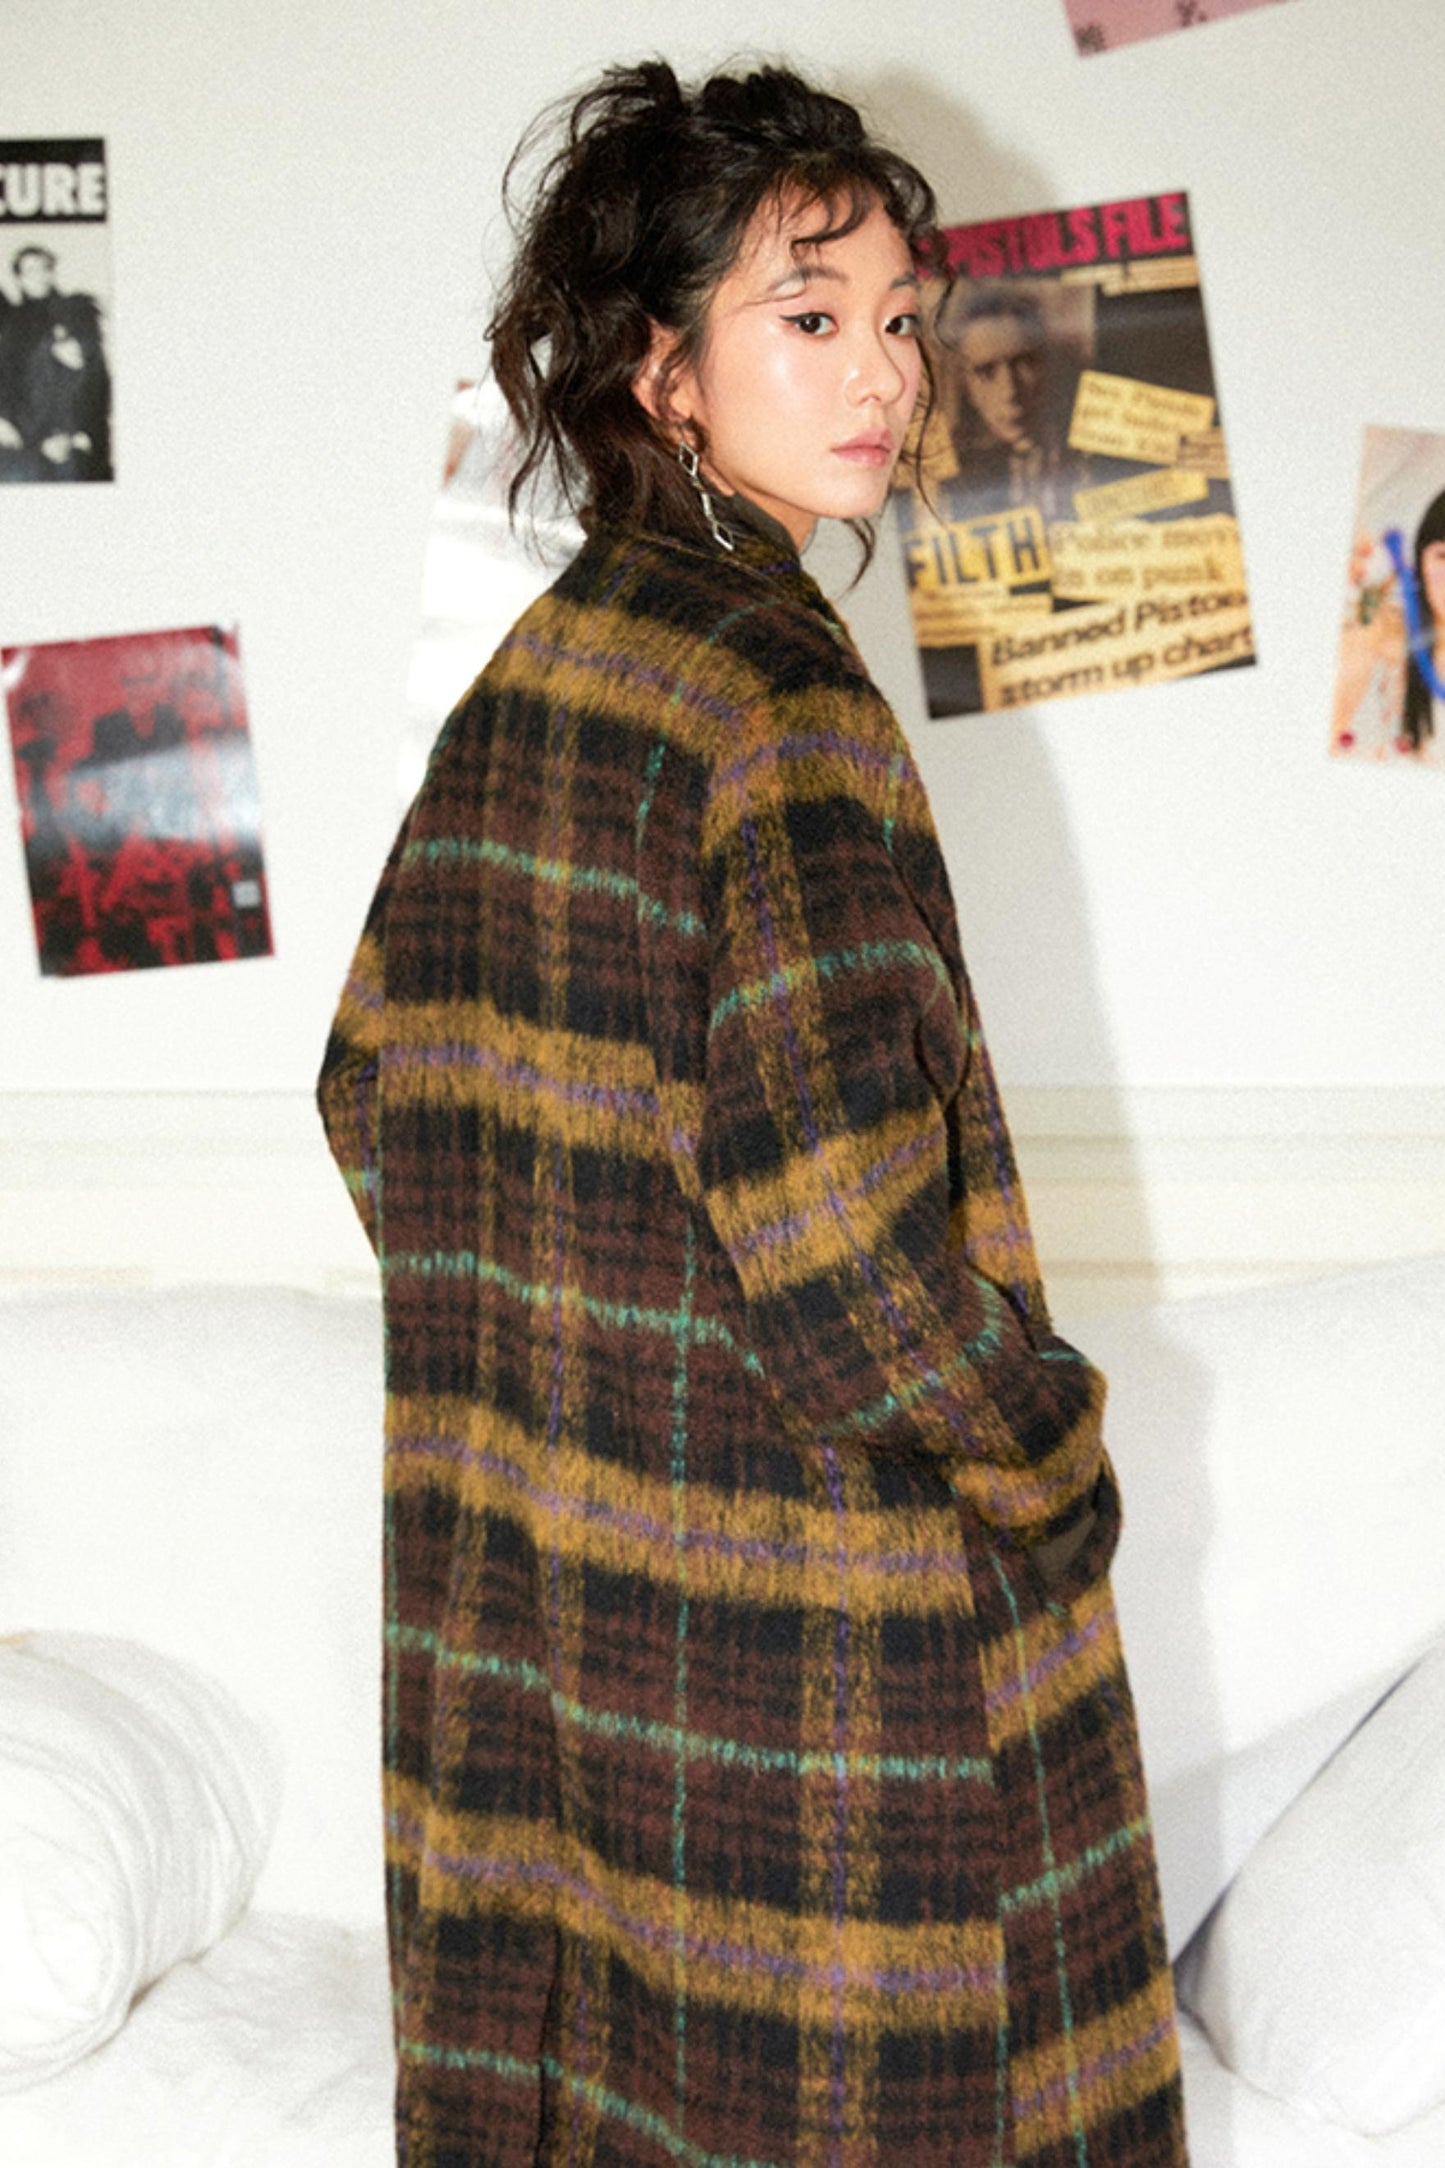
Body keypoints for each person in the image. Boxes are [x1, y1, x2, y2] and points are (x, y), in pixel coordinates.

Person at [319, 60, 1188, 2168]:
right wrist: (1046, 1453)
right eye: (808, 316)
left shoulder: (542, 670)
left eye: (897, 316)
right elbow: (845, 1254)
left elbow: (366, 1085)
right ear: (662, 368)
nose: (882, 371)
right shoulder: (775, 700)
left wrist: (581, 1360)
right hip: (826, 1679)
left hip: (555, 1634)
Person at [933, 283, 1089, 522]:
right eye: (986, 372)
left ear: (1047, 364)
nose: (1010, 392)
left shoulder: (1086, 459)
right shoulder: (947, 481)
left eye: (1024, 364)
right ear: (966, 385)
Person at [0, 245, 112, 482]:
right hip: (27, 440)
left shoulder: (77, 313)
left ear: (52, 273)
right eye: (30, 270)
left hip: (72, 436)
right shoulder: (10, 325)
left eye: (45, 268)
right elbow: (8, 383)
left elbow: (97, 381)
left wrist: (78, 434)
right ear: (18, 279)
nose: (39, 275)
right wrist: (30, 438)